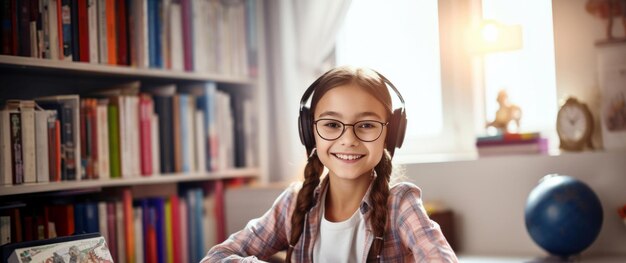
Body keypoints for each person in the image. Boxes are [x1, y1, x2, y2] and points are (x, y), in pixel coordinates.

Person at [202, 66, 458, 262]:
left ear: (391, 136)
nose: (348, 140)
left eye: (367, 125)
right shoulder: (294, 204)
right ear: (308, 131)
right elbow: (216, 257)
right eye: (332, 125)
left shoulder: (400, 204)